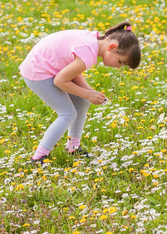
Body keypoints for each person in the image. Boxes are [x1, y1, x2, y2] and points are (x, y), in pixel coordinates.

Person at [19, 21, 141, 165]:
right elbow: (60, 81)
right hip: (38, 72)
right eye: (120, 62)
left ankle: (73, 147)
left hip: (48, 68)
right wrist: (88, 94)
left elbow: (72, 70)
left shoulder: (93, 42)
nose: (118, 67)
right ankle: (38, 157)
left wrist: (88, 92)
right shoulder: (88, 52)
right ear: (112, 47)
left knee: (81, 103)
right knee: (67, 113)